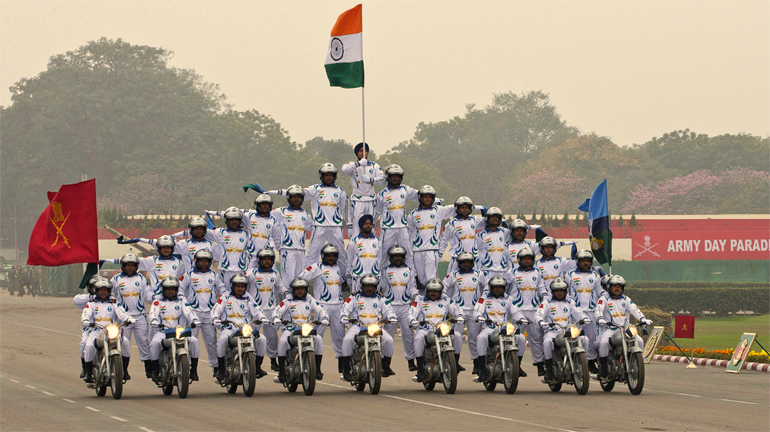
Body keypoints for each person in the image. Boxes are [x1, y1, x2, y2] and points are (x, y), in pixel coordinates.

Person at [267, 163, 349, 273]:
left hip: (336, 226)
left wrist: (350, 226)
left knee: (340, 253)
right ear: (321, 176)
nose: (329, 177)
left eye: (331, 175)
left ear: (335, 176)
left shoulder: (340, 191)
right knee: (312, 254)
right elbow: (295, 193)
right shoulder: (315, 189)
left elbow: (346, 210)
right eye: (326, 175)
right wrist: (275, 192)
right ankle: (304, 277)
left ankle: (343, 277)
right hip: (319, 226)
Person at [210, 274, 269, 384]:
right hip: (229, 329)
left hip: (245, 330)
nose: (240, 288)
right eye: (238, 286)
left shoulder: (248, 298)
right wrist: (215, 318)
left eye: (242, 286)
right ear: (233, 286)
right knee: (222, 340)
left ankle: (257, 367)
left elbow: (257, 310)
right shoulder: (225, 297)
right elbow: (216, 309)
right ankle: (221, 370)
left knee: (262, 339)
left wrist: (263, 318)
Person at [298, 244, 347, 374]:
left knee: (340, 336)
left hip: (338, 305)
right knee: (317, 337)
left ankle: (343, 365)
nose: (331, 258)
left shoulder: (339, 268)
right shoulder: (316, 267)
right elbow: (301, 278)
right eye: (328, 256)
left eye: (333, 256)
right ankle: (315, 366)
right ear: (323, 256)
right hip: (322, 305)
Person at [340, 274, 397, 379]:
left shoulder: (381, 298)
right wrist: (344, 316)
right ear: (362, 286)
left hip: (375, 327)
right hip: (357, 326)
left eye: (372, 286)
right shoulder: (354, 297)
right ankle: (346, 369)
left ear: (375, 287)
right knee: (347, 340)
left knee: (389, 340)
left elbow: (389, 309)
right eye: (367, 286)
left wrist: (391, 317)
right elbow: (345, 307)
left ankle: (386, 366)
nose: (369, 288)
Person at [272, 278, 330, 382]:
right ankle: (282, 372)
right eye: (297, 289)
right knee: (282, 341)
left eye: (302, 289)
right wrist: (276, 318)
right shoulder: (287, 301)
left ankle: (317, 369)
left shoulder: (310, 300)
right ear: (293, 290)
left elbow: (321, 309)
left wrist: (325, 318)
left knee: (319, 339)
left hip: (305, 330)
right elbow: (277, 310)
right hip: (290, 329)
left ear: (306, 290)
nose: (300, 291)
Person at [595, 275, 652, 379]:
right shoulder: (604, 299)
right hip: (611, 329)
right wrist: (600, 318)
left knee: (639, 341)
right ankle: (603, 369)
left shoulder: (626, 299)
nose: (617, 289)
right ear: (609, 287)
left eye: (619, 287)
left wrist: (643, 319)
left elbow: (635, 310)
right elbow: (598, 310)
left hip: (626, 329)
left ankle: (635, 363)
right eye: (615, 286)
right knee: (603, 343)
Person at [473, 275, 528, 381]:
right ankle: (482, 370)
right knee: (481, 338)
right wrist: (479, 316)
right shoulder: (484, 298)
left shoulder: (509, 299)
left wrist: (521, 318)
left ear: (504, 288)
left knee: (521, 338)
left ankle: (518, 366)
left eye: (500, 287)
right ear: (491, 288)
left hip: (505, 328)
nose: (498, 289)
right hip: (490, 328)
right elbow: (477, 310)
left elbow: (516, 311)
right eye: (495, 287)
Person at [179, 249, 225, 377]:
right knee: (190, 341)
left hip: (209, 313)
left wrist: (223, 300)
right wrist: (185, 303)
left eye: (206, 261)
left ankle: (216, 367)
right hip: (193, 313)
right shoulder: (189, 274)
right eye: (201, 261)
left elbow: (222, 290)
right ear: (196, 261)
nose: (204, 263)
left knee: (211, 342)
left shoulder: (214, 275)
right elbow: (180, 289)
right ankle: (190, 367)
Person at [409, 278, 464, 381]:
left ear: (440, 292)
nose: (433, 293)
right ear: (427, 291)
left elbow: (456, 308)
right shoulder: (419, 300)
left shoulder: (445, 299)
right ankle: (420, 369)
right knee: (418, 338)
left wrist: (460, 316)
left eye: (436, 291)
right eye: (431, 291)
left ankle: (455, 363)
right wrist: (413, 320)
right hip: (425, 329)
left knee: (457, 336)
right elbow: (412, 312)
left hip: (441, 329)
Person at [148, 277, 202, 382]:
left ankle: (193, 370)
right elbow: (153, 313)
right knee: (154, 343)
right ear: (163, 290)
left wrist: (194, 320)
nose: (170, 291)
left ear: (176, 290)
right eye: (168, 289)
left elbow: (189, 311)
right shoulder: (158, 301)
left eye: (173, 289)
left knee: (194, 341)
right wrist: (154, 320)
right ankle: (155, 371)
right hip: (163, 331)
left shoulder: (182, 300)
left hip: (179, 331)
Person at [81, 279, 135, 383]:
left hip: (112, 331)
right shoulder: (91, 304)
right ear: (96, 291)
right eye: (101, 290)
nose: (103, 292)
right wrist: (86, 321)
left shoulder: (114, 303)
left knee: (126, 342)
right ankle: (88, 372)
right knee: (89, 346)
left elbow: (122, 313)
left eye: (105, 290)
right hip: (97, 331)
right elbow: (85, 314)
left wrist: (129, 319)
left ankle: (124, 370)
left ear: (109, 291)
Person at [110, 254, 155, 379]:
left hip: (140, 316)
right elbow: (109, 294)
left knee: (144, 342)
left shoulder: (141, 278)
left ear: (136, 266)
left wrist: (155, 297)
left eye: (132, 265)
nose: (130, 268)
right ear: (123, 266)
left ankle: (149, 369)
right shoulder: (116, 279)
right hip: (124, 318)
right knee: (124, 343)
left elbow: (147, 294)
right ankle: (123, 370)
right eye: (127, 265)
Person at [536, 278, 590, 381]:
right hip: (553, 331)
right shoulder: (547, 302)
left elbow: (578, 312)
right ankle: (549, 370)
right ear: (553, 292)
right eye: (557, 291)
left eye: (562, 290)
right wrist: (541, 321)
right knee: (547, 342)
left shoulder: (570, 302)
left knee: (584, 339)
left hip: (568, 331)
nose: (559, 293)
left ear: (565, 291)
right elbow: (539, 314)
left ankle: (582, 363)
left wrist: (584, 318)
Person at [442, 252, 488, 374]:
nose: (466, 264)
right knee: (456, 337)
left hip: (474, 311)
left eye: (468, 262)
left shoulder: (479, 274)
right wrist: (449, 303)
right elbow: (443, 288)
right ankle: (455, 362)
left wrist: (482, 299)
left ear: (472, 263)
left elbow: (488, 286)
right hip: (459, 311)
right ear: (459, 263)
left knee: (473, 338)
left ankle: (476, 364)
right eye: (464, 262)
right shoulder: (453, 275)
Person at [207, 195, 276, 270]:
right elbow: (233, 213)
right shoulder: (249, 217)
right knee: (249, 276)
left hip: (268, 256)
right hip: (251, 256)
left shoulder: (274, 220)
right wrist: (215, 213)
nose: (265, 206)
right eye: (263, 204)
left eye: (267, 204)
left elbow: (278, 237)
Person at [508, 247, 548, 377]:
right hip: (517, 311)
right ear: (520, 260)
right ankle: (516, 365)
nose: (527, 261)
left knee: (536, 339)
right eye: (524, 259)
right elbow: (504, 288)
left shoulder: (537, 272)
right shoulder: (512, 273)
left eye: (529, 259)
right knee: (515, 338)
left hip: (534, 310)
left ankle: (540, 365)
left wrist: (545, 297)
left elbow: (541, 288)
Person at [407, 185, 458, 287]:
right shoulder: (412, 214)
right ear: (420, 197)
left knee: (431, 280)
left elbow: (458, 207)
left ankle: (432, 297)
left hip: (432, 250)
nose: (428, 199)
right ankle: (421, 297)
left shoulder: (438, 210)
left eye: (430, 197)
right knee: (420, 281)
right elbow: (407, 233)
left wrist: (476, 207)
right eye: (425, 196)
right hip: (417, 251)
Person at [245, 248, 287, 372]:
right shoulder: (251, 273)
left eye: (269, 259)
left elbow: (280, 287)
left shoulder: (275, 274)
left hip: (271, 310)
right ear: (259, 260)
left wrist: (289, 293)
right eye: (264, 259)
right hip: (255, 311)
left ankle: (273, 361)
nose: (267, 261)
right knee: (252, 337)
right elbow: (241, 287)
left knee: (273, 338)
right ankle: (253, 362)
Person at [565, 249, 605, 373]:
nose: (586, 263)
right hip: (575, 313)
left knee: (591, 338)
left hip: (591, 312)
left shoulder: (595, 275)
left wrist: (606, 295)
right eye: (583, 261)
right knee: (574, 337)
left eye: (588, 261)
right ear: (578, 261)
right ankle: (573, 361)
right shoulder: (570, 274)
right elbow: (566, 293)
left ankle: (591, 362)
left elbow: (599, 291)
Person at [135, 217, 223, 274]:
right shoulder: (184, 244)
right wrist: (143, 240)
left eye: (201, 229)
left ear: (205, 230)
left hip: (207, 277)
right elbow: (164, 244)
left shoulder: (211, 245)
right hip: (189, 280)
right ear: (191, 230)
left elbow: (224, 256)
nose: (199, 231)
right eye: (196, 229)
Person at [381, 244, 419, 372]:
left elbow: (412, 287)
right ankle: (384, 363)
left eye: (400, 256)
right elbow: (382, 287)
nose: (397, 258)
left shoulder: (409, 270)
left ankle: (411, 361)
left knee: (408, 335)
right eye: (395, 256)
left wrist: (416, 296)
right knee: (387, 336)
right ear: (391, 258)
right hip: (390, 307)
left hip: (405, 307)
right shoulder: (385, 271)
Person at [374, 164, 420, 271]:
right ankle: (381, 280)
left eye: (397, 176)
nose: (395, 178)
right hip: (387, 229)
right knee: (383, 255)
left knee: (407, 254)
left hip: (403, 228)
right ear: (388, 177)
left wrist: (435, 200)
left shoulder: (405, 189)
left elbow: (419, 195)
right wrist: (372, 226)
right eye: (393, 176)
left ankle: (412, 278)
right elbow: (376, 212)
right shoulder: (381, 194)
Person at [106, 235, 185, 295]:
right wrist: (107, 260)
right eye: (163, 247)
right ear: (159, 248)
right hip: (157, 299)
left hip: (174, 298)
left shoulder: (179, 262)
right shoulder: (152, 261)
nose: (166, 250)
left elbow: (185, 278)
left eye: (168, 247)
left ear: (172, 249)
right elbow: (130, 260)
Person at [269, 185, 314, 286]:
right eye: (294, 196)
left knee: (300, 280)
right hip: (287, 250)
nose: (296, 199)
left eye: (299, 197)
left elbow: (314, 228)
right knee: (288, 280)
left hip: (301, 251)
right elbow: (265, 215)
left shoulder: (305, 214)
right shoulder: (281, 212)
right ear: (289, 197)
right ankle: (287, 296)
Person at [341, 142, 386, 238]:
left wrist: (371, 180)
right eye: (360, 151)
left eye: (365, 151)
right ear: (357, 153)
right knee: (357, 227)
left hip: (371, 200)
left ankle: (371, 246)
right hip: (358, 201)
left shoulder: (374, 165)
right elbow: (344, 170)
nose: (363, 153)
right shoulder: (353, 166)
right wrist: (358, 164)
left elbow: (383, 179)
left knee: (371, 227)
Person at [438, 196, 487, 275]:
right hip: (456, 259)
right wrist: (439, 255)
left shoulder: (474, 220)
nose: (465, 209)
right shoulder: (451, 224)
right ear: (458, 208)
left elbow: (488, 222)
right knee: (451, 280)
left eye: (467, 207)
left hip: (472, 258)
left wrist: (484, 211)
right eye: (462, 207)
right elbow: (443, 240)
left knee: (474, 280)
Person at [74, 275, 108, 378]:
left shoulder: (109, 299)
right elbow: (76, 300)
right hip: (89, 329)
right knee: (84, 343)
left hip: (106, 328)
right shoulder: (86, 300)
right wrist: (92, 297)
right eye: (95, 287)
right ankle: (86, 368)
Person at [346, 214, 381, 295]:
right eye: (365, 224)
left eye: (370, 224)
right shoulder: (354, 241)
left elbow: (379, 260)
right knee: (357, 300)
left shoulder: (377, 241)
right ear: (361, 226)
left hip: (374, 276)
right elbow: (349, 260)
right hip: (358, 276)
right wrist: (348, 275)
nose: (368, 226)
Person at [474, 207, 511, 278]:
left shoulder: (503, 232)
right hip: (486, 270)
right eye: (492, 217)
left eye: (497, 217)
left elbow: (518, 233)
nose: (495, 219)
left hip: (502, 270)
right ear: (487, 218)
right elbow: (473, 252)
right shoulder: (480, 235)